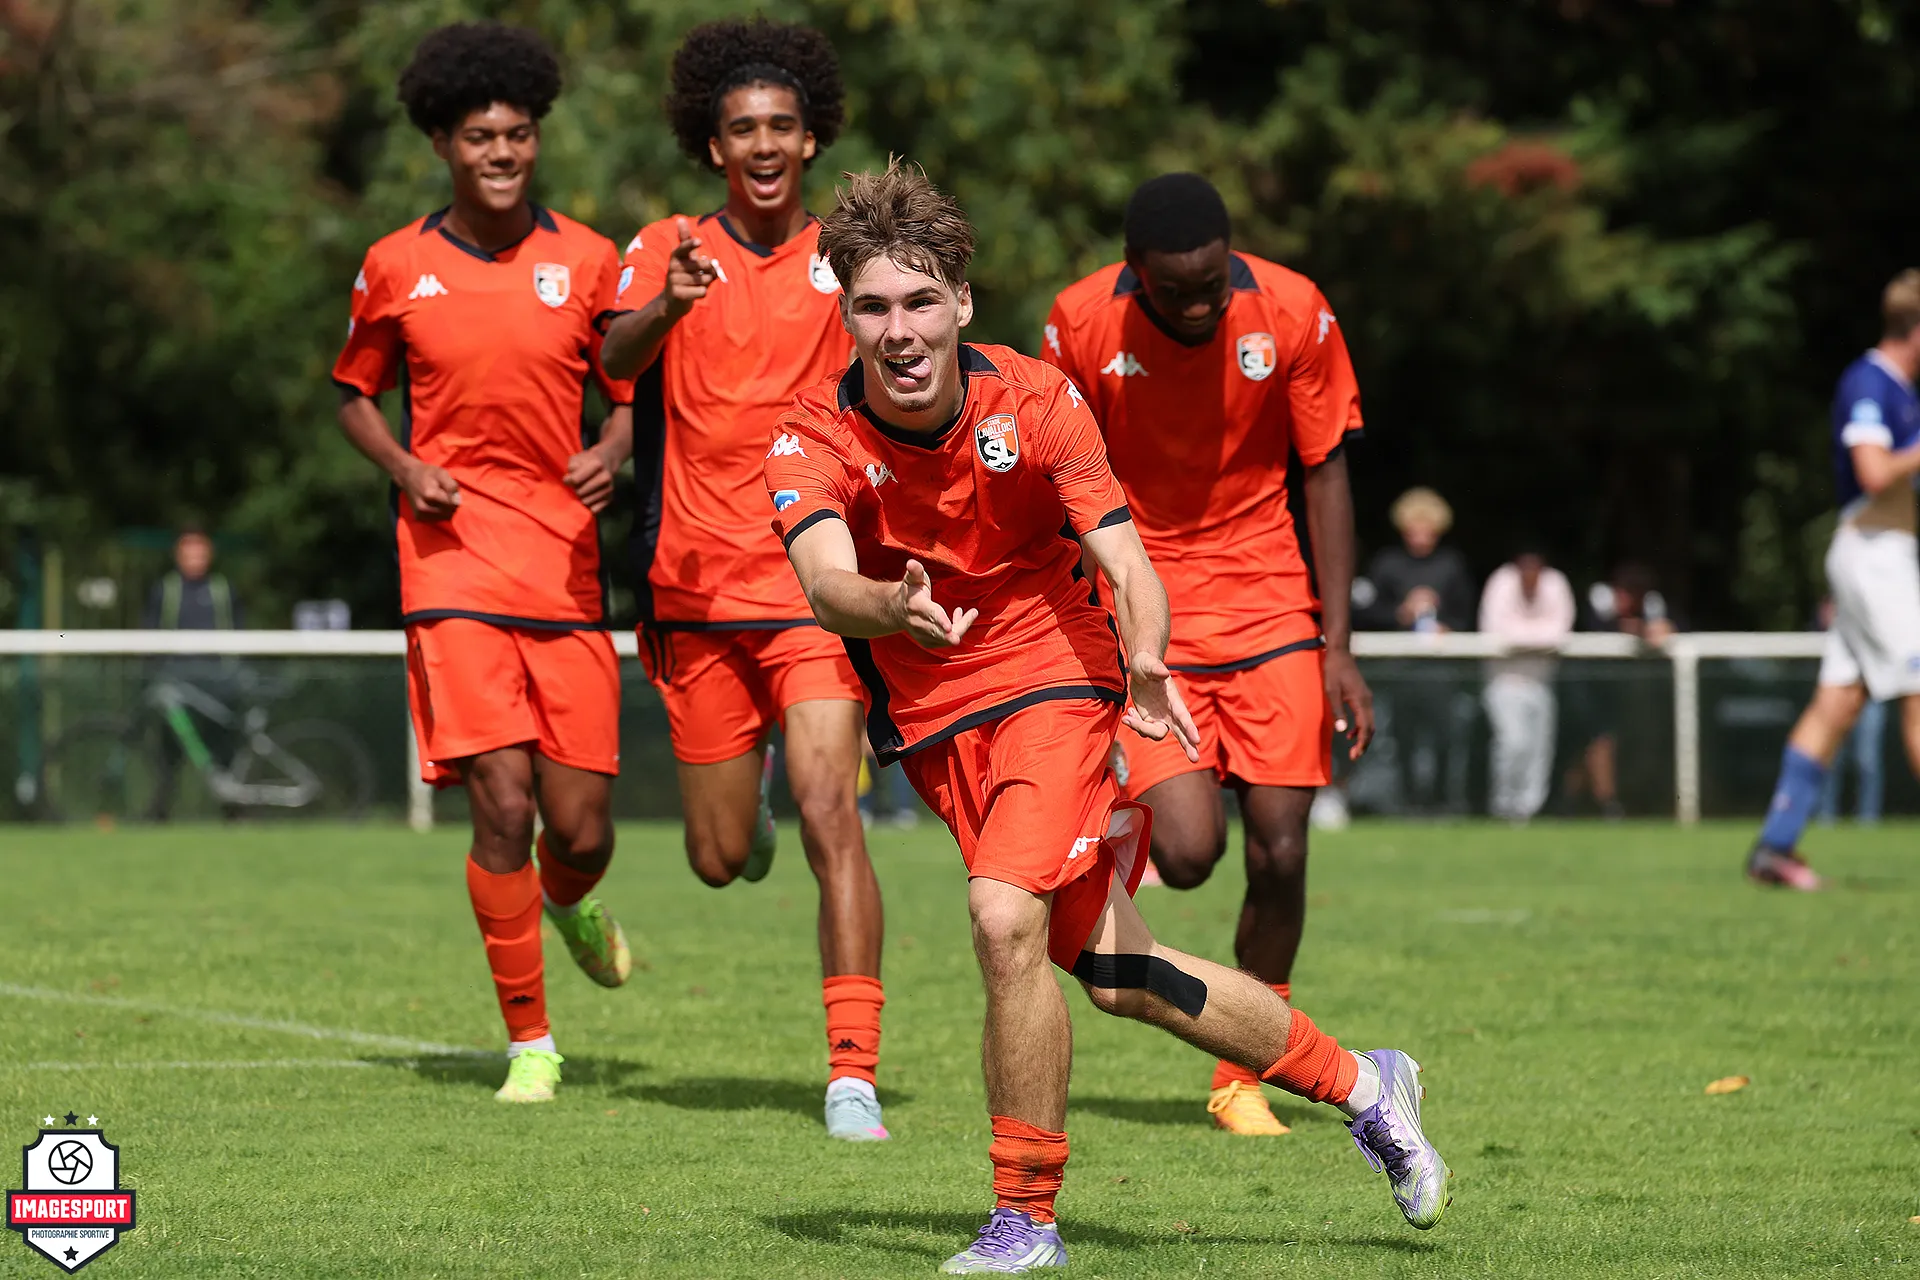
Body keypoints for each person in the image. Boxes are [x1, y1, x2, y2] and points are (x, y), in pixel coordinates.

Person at [768, 162, 1449, 1274]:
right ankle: (1368, 1085)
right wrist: (888, 603)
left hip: (1056, 677)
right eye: (875, 306)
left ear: (962, 303)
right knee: (1123, 971)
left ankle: (1025, 1216)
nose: (900, 331)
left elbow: (1127, 561)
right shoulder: (809, 436)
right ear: (845, 315)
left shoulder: (1036, 399)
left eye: (922, 301)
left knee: (1002, 918)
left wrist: (1143, 659)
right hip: (938, 724)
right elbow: (824, 582)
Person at [597, 18, 889, 1141]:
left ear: (810, 139)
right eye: (741, 130)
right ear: (712, 146)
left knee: (832, 809)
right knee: (720, 860)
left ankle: (852, 1075)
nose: (762, 144)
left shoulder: (848, 257)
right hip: (693, 589)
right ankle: (741, 810)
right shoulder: (667, 245)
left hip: (815, 584)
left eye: (780, 126)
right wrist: (668, 303)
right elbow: (613, 358)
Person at [332, 22, 635, 1103]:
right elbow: (353, 394)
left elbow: (629, 392)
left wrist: (611, 449)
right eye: (478, 137)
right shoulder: (396, 265)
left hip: (563, 567)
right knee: (502, 804)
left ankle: (571, 895)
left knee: (581, 829)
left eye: (516, 134)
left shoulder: (589, 259)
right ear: (442, 145)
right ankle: (531, 1043)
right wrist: (405, 467)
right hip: (451, 563)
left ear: (535, 137)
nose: (501, 153)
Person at [1041, 173, 1373, 1137]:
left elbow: (1326, 471)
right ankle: (1104, 828)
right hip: (1146, 608)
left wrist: (1339, 645)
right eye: (1174, 289)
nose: (1197, 304)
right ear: (1133, 272)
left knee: (1282, 850)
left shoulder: (1295, 309)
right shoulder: (1079, 322)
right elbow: (1057, 482)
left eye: (1212, 285)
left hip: (1272, 607)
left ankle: (1243, 1076)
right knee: (1188, 855)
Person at [1746, 269, 1920, 889]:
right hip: (1874, 554)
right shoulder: (1870, 381)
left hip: (1882, 552)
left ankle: (1775, 847)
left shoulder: (1903, 390)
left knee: (1838, 703)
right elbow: (1872, 471)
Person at [1356, 488, 1478, 813]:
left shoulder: (1451, 565)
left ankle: (1440, 799)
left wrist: (1448, 627)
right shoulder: (1387, 564)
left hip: (1440, 666)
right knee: (1404, 735)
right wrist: (1400, 613)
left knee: (1444, 734)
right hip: (1400, 665)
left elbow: (1466, 614)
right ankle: (1409, 800)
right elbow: (1366, 611)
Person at [1563, 563, 1674, 818]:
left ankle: (1576, 802)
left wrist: (1661, 627)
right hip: (1583, 684)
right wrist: (1634, 628)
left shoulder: (1652, 605)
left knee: (1605, 744)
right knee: (1597, 741)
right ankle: (1605, 803)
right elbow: (1594, 629)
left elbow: (1669, 627)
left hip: (1621, 689)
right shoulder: (1597, 600)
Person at [1477, 548, 1575, 822]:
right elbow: (1500, 633)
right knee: (1513, 743)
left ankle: (1527, 811)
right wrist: (1539, 635)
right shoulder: (1501, 582)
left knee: (1539, 751)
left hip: (1542, 682)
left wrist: (1527, 635)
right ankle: (1503, 806)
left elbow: (1559, 633)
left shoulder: (1555, 584)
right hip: (1503, 681)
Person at [143, 527, 240, 632]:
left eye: (199, 554)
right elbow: (149, 630)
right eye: (190, 554)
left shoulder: (224, 589)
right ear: (178, 555)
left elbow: (239, 629)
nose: (195, 558)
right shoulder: (163, 590)